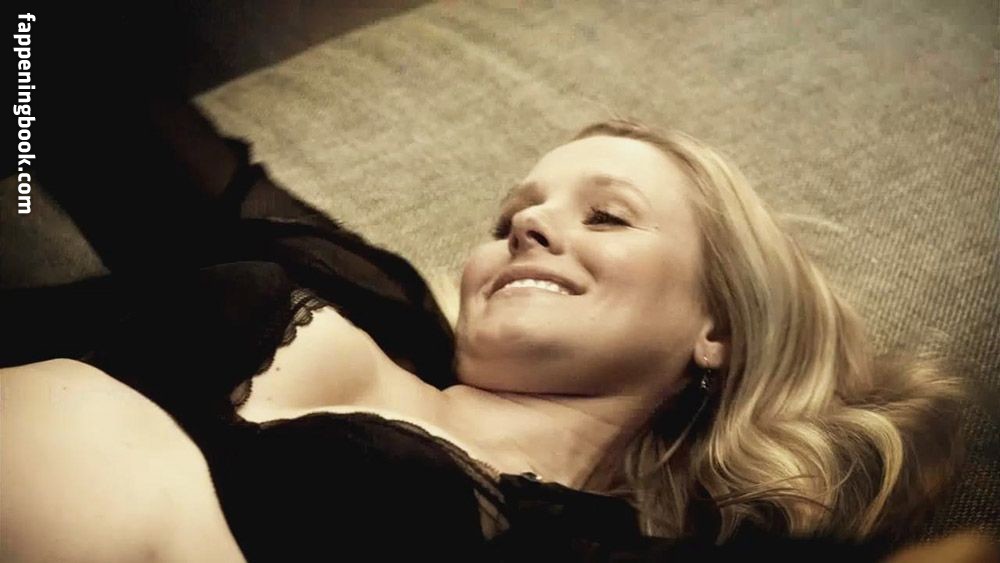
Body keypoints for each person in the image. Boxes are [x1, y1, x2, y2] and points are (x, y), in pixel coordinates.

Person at [0, 101, 969, 561]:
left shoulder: (591, 544)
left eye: (608, 216)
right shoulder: (379, 302)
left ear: (716, 327)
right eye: (512, 214)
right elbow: (99, 113)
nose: (530, 224)